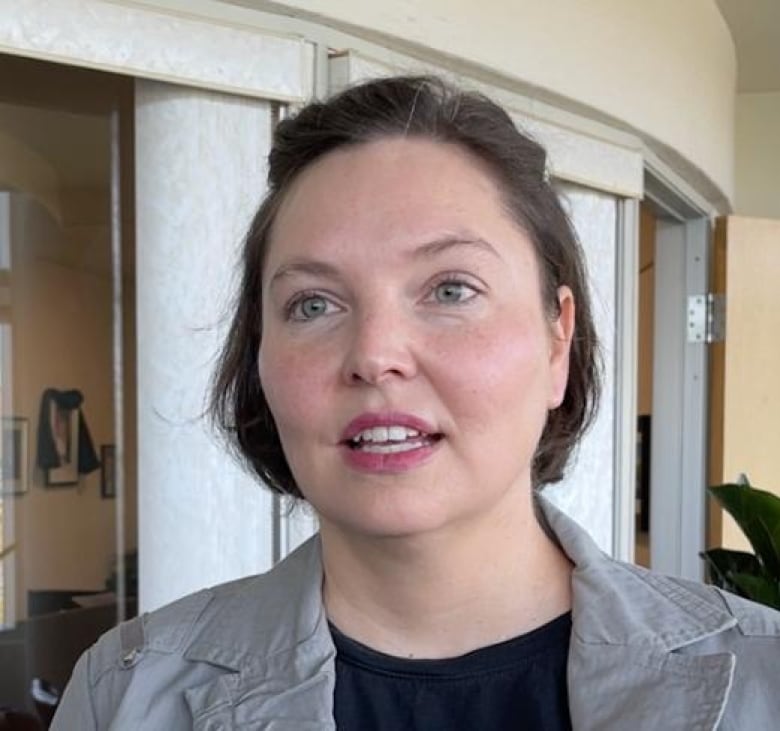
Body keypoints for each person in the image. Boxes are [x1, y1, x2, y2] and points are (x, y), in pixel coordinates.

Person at [52, 75, 779, 730]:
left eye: (451, 289)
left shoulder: (765, 681)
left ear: (558, 341)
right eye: (312, 303)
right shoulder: (127, 693)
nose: (375, 354)